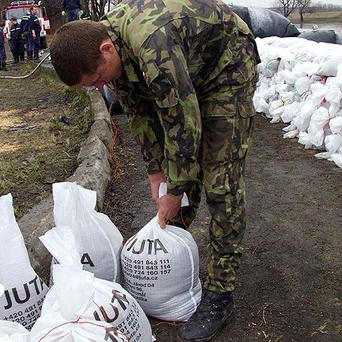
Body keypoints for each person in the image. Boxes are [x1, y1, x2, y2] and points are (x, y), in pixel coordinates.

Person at [50, 0, 260, 340]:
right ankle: (169, 243)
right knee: (176, 175)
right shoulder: (106, 45)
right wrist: (155, 175)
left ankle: (221, 291)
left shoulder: (152, 44)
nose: (101, 85)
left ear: (106, 48)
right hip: (184, 63)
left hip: (226, 68)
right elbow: (140, 113)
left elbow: (182, 122)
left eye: (100, 78)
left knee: (220, 179)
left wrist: (175, 189)